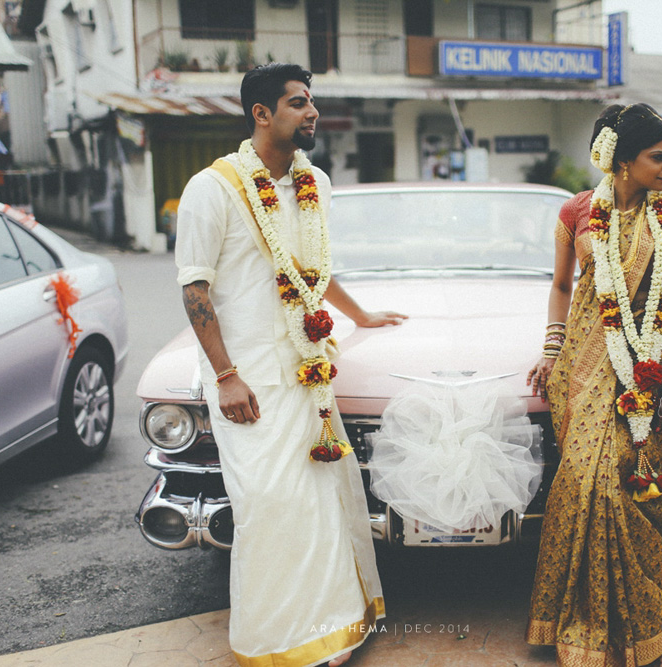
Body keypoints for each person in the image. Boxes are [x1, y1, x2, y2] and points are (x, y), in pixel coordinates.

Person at [174, 63, 407, 667]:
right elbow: (195, 291)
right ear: (261, 114)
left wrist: (362, 315)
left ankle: (332, 629)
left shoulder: (316, 183)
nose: (312, 113)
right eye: (299, 103)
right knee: (267, 506)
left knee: (318, 500)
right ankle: (276, 643)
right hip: (245, 380)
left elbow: (313, 271)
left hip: (306, 369)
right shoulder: (213, 187)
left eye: (312, 102)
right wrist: (225, 376)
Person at [524, 104, 662, 667]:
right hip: (585, 369)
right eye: (657, 157)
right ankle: (580, 628)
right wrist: (550, 351)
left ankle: (645, 630)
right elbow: (563, 287)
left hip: (654, 363)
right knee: (581, 486)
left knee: (632, 488)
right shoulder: (575, 213)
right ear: (620, 161)